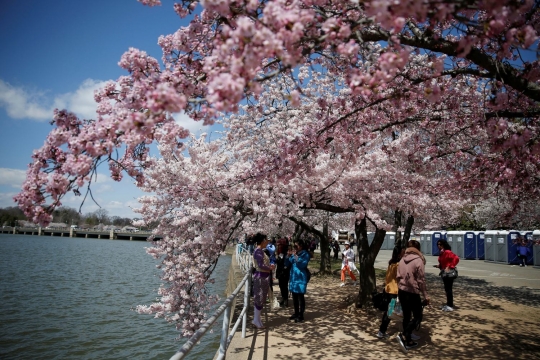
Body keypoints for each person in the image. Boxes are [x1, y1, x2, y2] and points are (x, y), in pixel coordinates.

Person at [396, 240, 430, 353]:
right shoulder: (419, 261)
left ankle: (409, 341)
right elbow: (421, 280)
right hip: (412, 292)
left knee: (406, 316)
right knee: (418, 316)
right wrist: (425, 295)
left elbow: (398, 277)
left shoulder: (401, 260)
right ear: (418, 249)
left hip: (402, 290)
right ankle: (406, 333)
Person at [377, 247, 404, 338]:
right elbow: (400, 278)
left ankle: (404, 330)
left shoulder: (391, 263)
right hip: (395, 291)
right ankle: (382, 331)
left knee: (391, 311)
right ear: (399, 254)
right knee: (390, 312)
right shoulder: (397, 265)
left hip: (389, 290)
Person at [251, 232, 276, 329]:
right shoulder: (258, 251)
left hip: (263, 276)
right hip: (261, 277)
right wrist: (270, 268)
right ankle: (256, 320)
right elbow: (260, 265)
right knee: (259, 298)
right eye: (266, 240)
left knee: (261, 298)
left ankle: (257, 319)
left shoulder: (260, 250)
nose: (267, 242)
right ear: (263, 241)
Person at [286, 239, 310, 323]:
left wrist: (296, 257)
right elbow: (287, 263)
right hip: (293, 278)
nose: (295, 248)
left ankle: (301, 315)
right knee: (294, 297)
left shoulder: (305, 254)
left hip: (300, 278)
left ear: (301, 246)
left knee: (300, 297)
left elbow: (302, 265)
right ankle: (296, 313)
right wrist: (288, 256)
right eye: (294, 246)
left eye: (296, 246)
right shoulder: (294, 254)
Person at [435, 239, 460, 312]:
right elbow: (443, 261)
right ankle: (448, 303)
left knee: (449, 289)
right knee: (447, 288)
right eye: (438, 244)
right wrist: (439, 265)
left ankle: (450, 305)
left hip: (448, 273)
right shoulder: (442, 253)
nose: (439, 246)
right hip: (444, 273)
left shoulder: (447, 252)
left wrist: (450, 266)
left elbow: (456, 258)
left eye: (441, 244)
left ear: (444, 245)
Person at [275, 238, 290, 307]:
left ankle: (286, 299)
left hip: (285, 272)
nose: (278, 246)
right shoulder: (280, 253)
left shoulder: (287, 252)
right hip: (280, 271)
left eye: (280, 245)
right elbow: (278, 261)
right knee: (281, 285)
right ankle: (283, 298)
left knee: (285, 286)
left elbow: (287, 263)